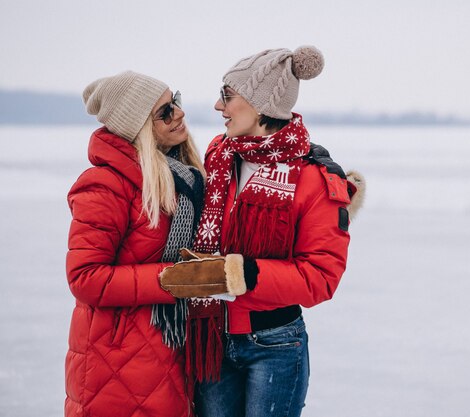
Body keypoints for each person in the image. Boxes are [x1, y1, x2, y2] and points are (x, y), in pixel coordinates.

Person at [159, 46, 365, 417]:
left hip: (274, 346)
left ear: (260, 103)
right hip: (211, 341)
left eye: (227, 95)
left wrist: (245, 273)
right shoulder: (220, 156)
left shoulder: (313, 178)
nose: (218, 107)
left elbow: (321, 278)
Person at [65, 71, 206, 417]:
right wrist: (173, 280)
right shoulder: (105, 185)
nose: (179, 114)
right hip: (117, 360)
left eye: (176, 102)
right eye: (165, 112)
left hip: (172, 349)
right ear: (139, 128)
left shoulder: (184, 179)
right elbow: (84, 277)